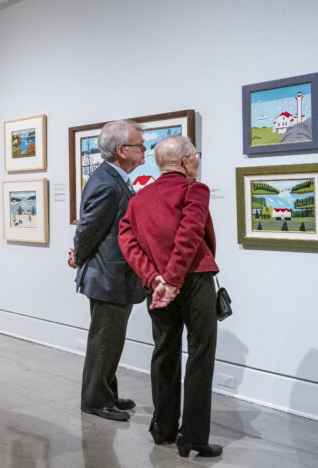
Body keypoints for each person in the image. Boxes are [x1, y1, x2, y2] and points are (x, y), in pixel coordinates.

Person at [118, 136, 222, 458]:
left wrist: (154, 277)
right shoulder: (195, 190)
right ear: (187, 160)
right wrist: (174, 280)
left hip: (159, 285)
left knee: (164, 352)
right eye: (197, 157)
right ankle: (192, 437)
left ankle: (163, 428)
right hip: (193, 281)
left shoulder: (139, 199)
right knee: (201, 353)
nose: (198, 162)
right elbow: (190, 234)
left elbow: (128, 241)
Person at [68, 119, 146, 422]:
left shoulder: (113, 178)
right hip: (107, 275)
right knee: (104, 341)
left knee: (111, 340)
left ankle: (107, 394)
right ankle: (95, 401)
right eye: (139, 145)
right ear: (121, 150)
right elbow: (88, 229)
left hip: (114, 275)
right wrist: (79, 256)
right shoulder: (106, 183)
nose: (144, 150)